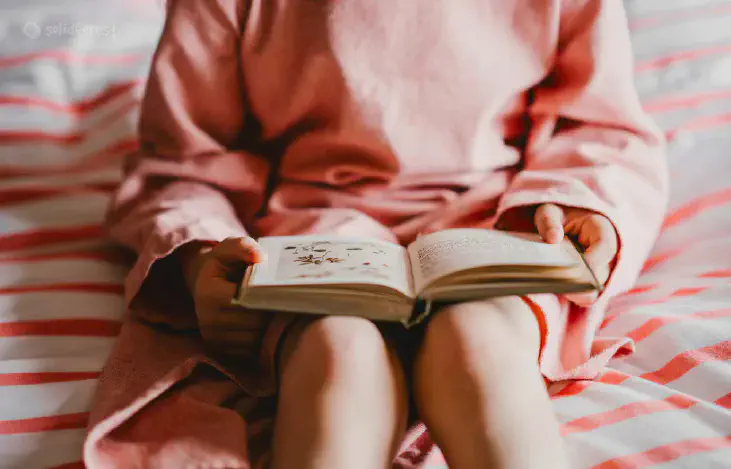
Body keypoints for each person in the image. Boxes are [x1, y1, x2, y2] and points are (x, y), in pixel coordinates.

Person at [83, 1, 669, 468]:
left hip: (498, 222)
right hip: (307, 231)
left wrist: (583, 207)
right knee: (337, 353)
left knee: (480, 343)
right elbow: (185, 165)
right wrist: (203, 259)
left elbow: (599, 125)